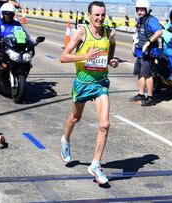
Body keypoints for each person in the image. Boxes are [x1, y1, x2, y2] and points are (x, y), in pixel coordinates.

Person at [59, 1, 118, 185]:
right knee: (76, 117)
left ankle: (95, 164)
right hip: (83, 83)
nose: (100, 18)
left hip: (101, 83)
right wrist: (84, 56)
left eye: (103, 15)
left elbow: (112, 46)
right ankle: (65, 140)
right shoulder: (81, 32)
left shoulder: (110, 32)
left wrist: (111, 60)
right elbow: (63, 57)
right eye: (97, 15)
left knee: (105, 124)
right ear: (89, 15)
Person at [129, 0, 162, 106]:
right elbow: (137, 34)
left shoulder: (151, 20)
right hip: (140, 52)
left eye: (142, 10)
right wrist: (134, 46)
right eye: (138, 9)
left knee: (147, 74)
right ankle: (141, 94)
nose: (139, 12)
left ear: (147, 10)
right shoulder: (141, 20)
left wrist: (148, 42)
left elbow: (159, 32)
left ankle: (150, 97)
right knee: (140, 73)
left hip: (148, 53)